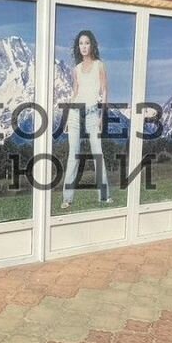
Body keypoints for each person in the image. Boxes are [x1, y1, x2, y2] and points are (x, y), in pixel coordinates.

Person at [61, 29, 112, 209]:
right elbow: (75, 93)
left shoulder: (100, 65)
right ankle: (67, 199)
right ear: (78, 47)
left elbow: (104, 91)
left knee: (98, 153)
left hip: (92, 114)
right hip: (75, 113)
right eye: (81, 43)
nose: (84, 46)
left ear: (92, 45)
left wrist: (101, 116)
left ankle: (104, 196)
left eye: (87, 43)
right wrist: (67, 118)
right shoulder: (76, 69)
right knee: (73, 155)